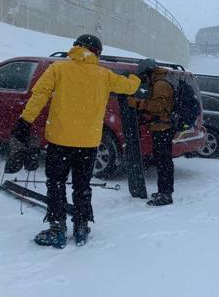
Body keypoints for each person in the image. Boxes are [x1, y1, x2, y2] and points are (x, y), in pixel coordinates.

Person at [11, 34, 141, 248]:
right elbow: (129, 88)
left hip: (60, 140)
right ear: (97, 52)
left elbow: (40, 94)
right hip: (88, 144)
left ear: (75, 48)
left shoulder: (58, 69)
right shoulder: (104, 75)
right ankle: (81, 227)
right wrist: (136, 77)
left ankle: (57, 229)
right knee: (82, 186)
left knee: (56, 183)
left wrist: (26, 120)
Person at [128, 59, 176, 206]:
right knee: (162, 161)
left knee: (163, 162)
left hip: (163, 128)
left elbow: (158, 105)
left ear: (149, 73)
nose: (143, 80)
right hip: (160, 127)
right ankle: (163, 191)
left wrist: (137, 103)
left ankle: (166, 195)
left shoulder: (160, 84)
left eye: (143, 76)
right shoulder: (159, 82)